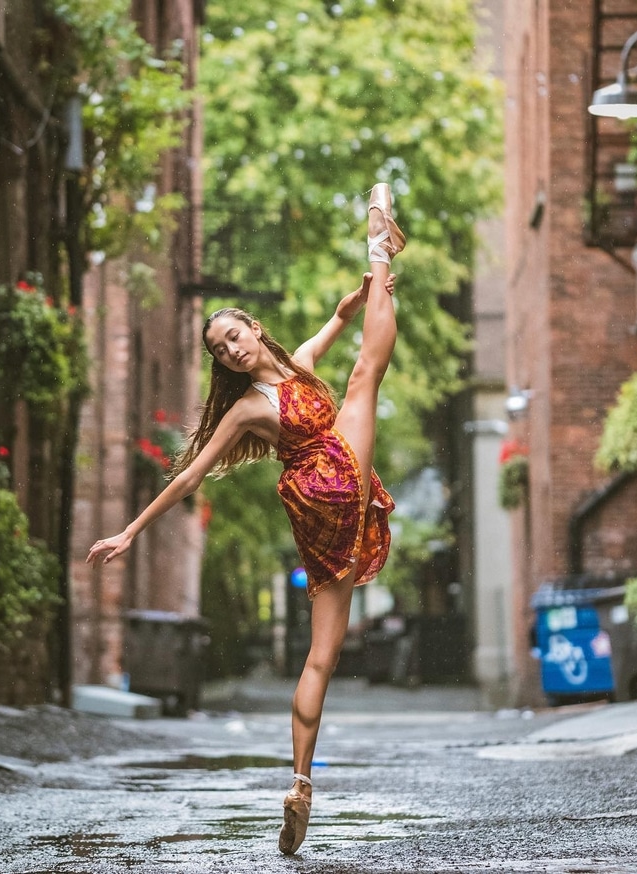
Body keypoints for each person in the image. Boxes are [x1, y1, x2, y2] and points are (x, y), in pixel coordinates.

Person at [86, 182, 406, 854]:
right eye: (218, 349)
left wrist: (348, 311)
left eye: (232, 335)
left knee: (321, 657)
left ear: (254, 329)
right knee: (366, 377)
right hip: (327, 481)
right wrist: (130, 531)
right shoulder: (245, 410)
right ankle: (380, 241)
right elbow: (190, 477)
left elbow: (319, 341)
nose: (228, 350)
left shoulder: (294, 370)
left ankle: (298, 786)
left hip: (320, 522)